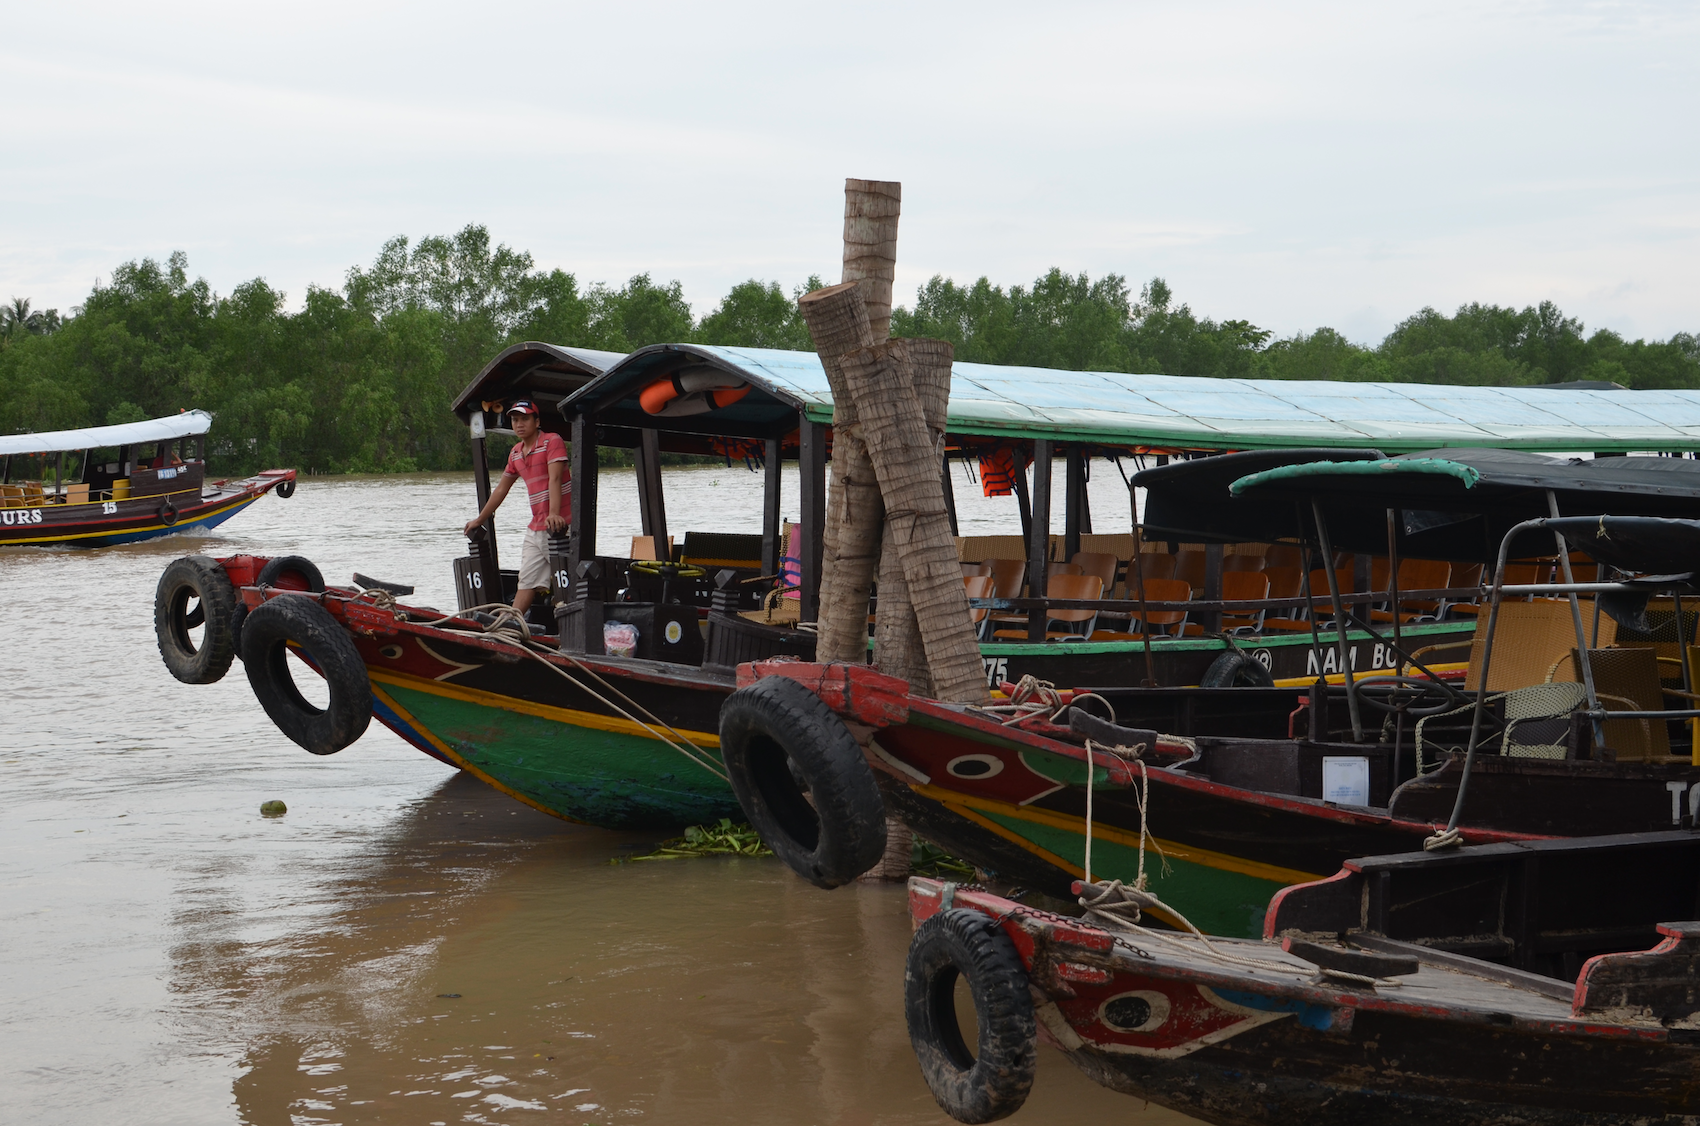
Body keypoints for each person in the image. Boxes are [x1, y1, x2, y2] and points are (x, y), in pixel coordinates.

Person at [462, 401, 570, 615]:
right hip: (536, 527)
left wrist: (555, 514)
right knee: (527, 579)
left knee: (568, 579)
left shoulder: (551, 441)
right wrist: (480, 519)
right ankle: (510, 623)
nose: (519, 424)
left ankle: (576, 627)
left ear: (537, 422)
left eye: (525, 419)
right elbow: (501, 489)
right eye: (515, 420)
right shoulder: (515, 453)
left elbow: (555, 478)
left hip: (560, 526)